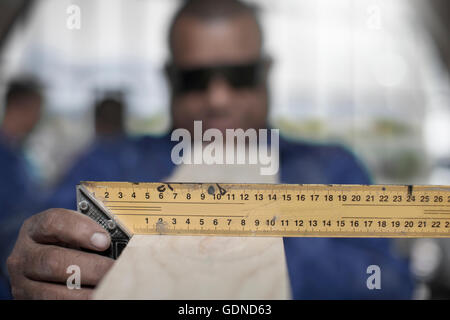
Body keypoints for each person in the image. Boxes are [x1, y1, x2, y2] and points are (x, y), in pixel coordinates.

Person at [6, 0, 414, 299]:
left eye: (239, 76)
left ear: (266, 73)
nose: (218, 98)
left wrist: (261, 237)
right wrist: (27, 265)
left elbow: (389, 284)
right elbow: (28, 254)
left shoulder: (334, 168)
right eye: (196, 80)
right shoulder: (110, 163)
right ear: (169, 78)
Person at [0, 78, 43, 299]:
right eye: (38, 110)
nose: (39, 118)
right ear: (22, 107)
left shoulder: (17, 154)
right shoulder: (6, 156)